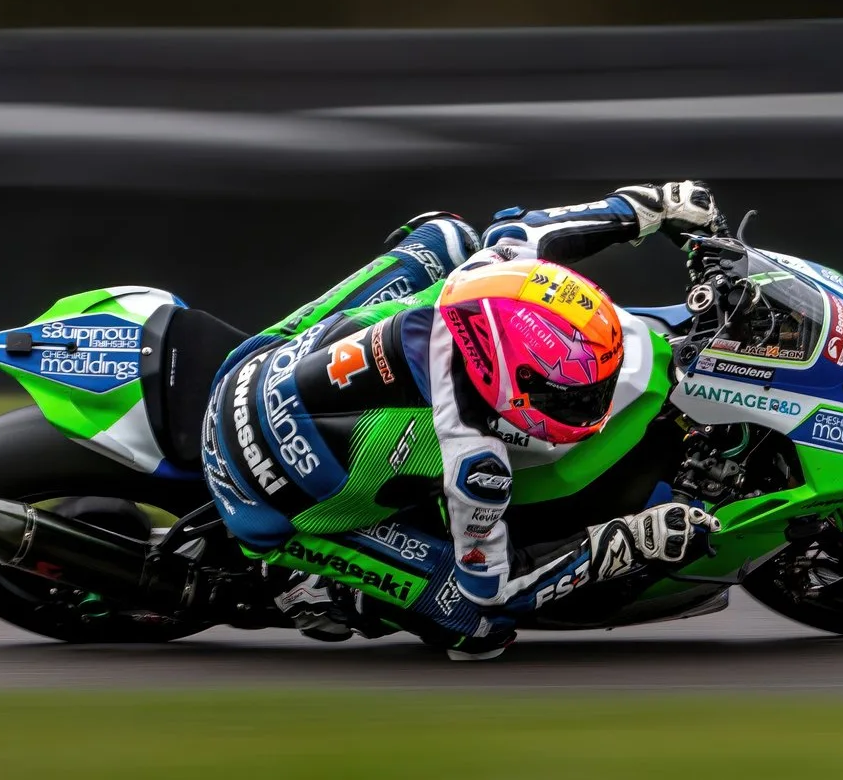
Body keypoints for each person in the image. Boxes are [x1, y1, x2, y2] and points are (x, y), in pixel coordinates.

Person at [199, 181, 726, 659]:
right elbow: (494, 585)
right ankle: (321, 585)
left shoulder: (487, 273)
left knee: (449, 235)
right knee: (478, 628)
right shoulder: (476, 462)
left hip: (249, 367)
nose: (590, 401)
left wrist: (652, 207)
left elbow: (529, 229)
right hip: (263, 502)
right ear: (507, 389)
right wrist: (628, 541)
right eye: (574, 396)